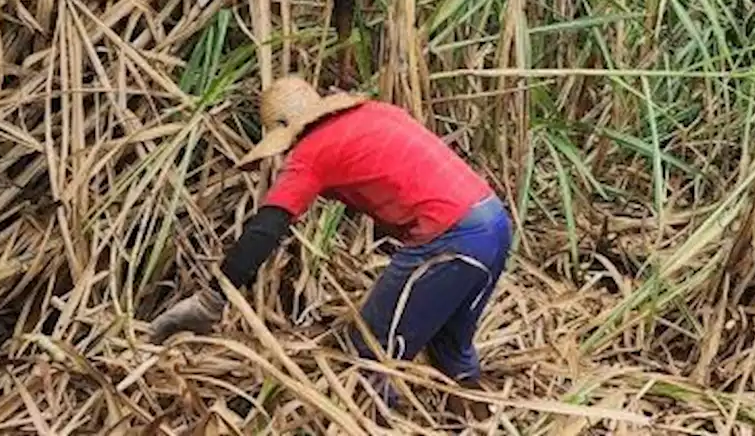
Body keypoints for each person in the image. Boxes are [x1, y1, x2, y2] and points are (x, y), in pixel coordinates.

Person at [147, 76, 512, 424]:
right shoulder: (377, 112)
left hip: (449, 238)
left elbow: (265, 229)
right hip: (493, 222)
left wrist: (212, 299)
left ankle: (373, 424)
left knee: (369, 355)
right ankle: (478, 425)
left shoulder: (312, 152)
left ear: (287, 131)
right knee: (451, 352)